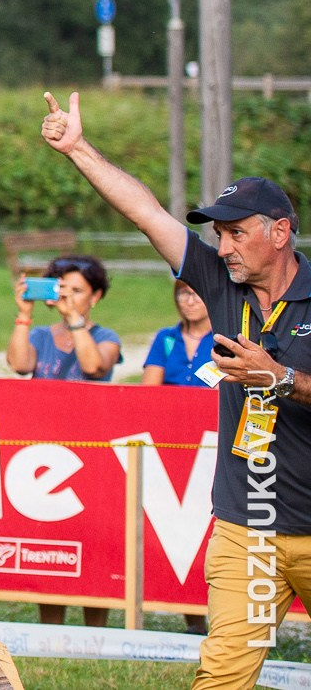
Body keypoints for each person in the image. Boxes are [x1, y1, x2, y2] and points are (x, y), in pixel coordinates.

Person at [40, 89, 311, 684]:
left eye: (237, 233)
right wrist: (80, 150)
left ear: (281, 232)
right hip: (249, 529)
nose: (224, 246)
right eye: (219, 234)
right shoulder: (219, 280)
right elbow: (146, 213)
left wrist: (283, 379)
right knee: (220, 679)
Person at [8, 254, 121, 383]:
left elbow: (93, 368)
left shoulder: (106, 337)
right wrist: (24, 313)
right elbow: (19, 366)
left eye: (77, 291)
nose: (68, 296)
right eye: (62, 289)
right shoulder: (41, 335)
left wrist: (73, 317)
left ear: (95, 296)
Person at [142, 280, 217, 387]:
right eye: (184, 293)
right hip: (168, 402)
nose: (190, 302)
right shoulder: (166, 337)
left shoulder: (223, 340)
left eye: (197, 294)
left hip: (210, 403)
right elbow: (149, 390)